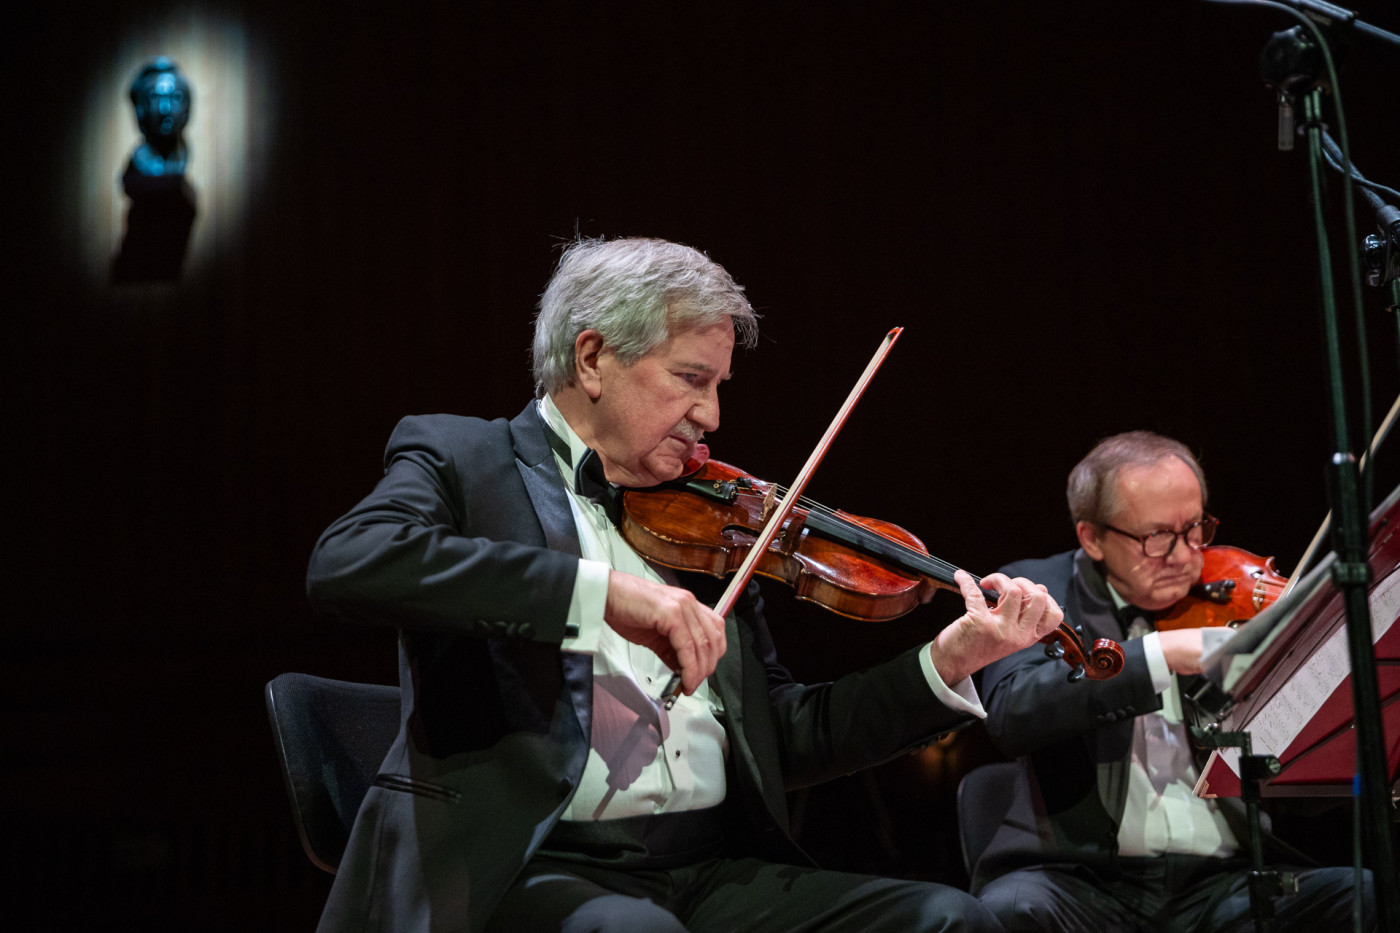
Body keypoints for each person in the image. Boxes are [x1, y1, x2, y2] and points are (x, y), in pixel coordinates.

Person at [306, 236, 1065, 933]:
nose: (713, 415)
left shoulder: (709, 520)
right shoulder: (465, 459)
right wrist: (601, 594)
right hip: (529, 866)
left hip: (708, 870)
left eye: (718, 384)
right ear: (593, 358)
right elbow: (352, 560)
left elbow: (781, 735)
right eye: (691, 380)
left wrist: (950, 660)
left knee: (948, 919)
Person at [974, 430, 1374, 932]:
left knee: (1364, 895)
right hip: (1083, 882)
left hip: (1224, 883)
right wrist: (1161, 653)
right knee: (1011, 910)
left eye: (1195, 529)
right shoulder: (1039, 592)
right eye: (1158, 537)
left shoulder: (1228, 597)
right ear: (1092, 538)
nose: (1186, 556)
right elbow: (1012, 712)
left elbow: (1296, 774)